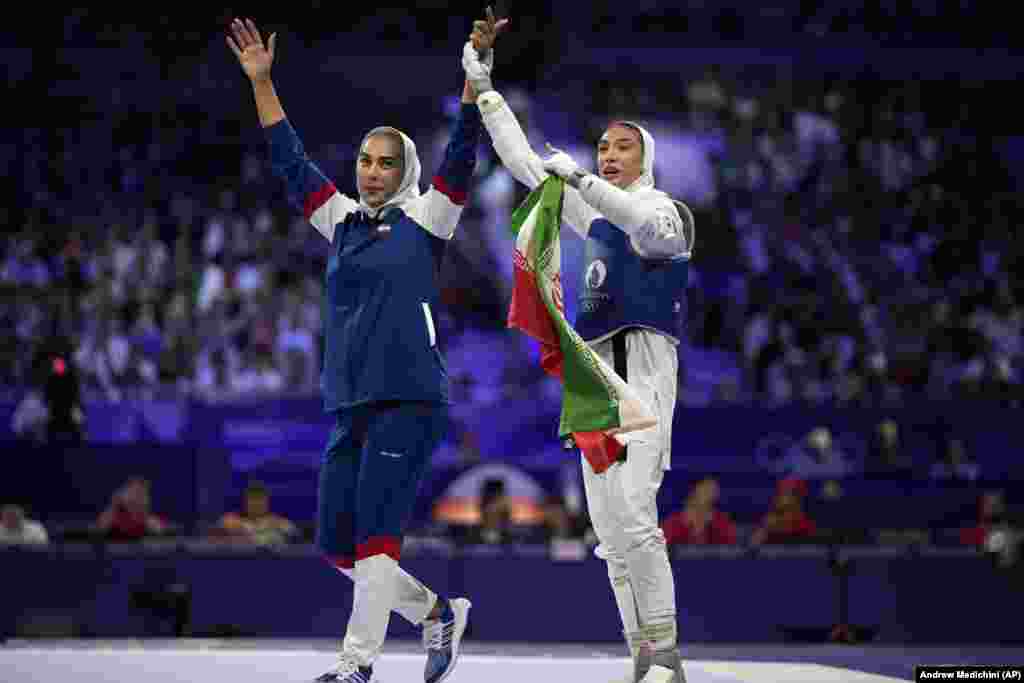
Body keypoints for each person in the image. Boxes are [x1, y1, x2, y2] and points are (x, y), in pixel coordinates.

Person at [227, 17, 482, 683]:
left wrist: (474, 77)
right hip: (349, 403)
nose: (372, 172)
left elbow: (460, 153)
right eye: (365, 161)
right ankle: (435, 613)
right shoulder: (337, 219)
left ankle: (355, 666)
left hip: (410, 399)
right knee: (339, 547)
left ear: (406, 169)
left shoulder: (429, 219)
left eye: (386, 162)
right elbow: (288, 157)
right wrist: (263, 82)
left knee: (374, 540)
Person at [463, 10, 695, 683]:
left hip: (645, 377)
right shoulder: (591, 211)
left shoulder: (666, 215)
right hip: (594, 382)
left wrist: (585, 183)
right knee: (610, 534)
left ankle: (668, 650)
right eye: (601, 147)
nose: (607, 154)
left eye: (621, 147)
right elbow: (526, 165)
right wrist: (484, 87)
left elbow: (639, 223)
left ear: (644, 158)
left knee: (635, 514)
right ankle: (642, 654)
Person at [661, 478, 737, 546]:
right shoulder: (672, 524)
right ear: (692, 491)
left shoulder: (722, 523)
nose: (711, 494)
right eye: (705, 489)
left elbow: (733, 551)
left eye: (713, 490)